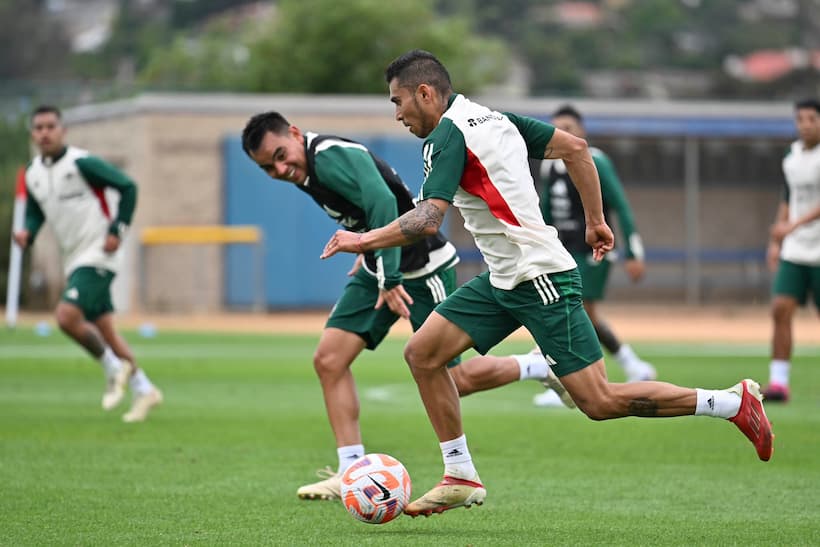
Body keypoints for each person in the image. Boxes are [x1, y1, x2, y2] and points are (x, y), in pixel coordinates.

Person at [321, 49, 774, 517]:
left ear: (425, 93)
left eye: (398, 102)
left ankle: (729, 402)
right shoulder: (493, 118)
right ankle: (460, 474)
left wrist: (364, 240)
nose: (396, 115)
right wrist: (595, 221)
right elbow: (577, 149)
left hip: (539, 278)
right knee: (422, 354)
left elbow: (428, 218)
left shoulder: (446, 136)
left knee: (599, 401)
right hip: (504, 278)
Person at [240, 112, 573, 501]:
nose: (280, 168)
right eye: (268, 167)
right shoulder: (308, 169)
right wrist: (374, 260)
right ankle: (350, 470)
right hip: (380, 265)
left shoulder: (328, 155)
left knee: (454, 379)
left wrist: (390, 278)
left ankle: (539, 367)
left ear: (295, 134)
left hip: (420, 267)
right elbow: (370, 208)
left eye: (281, 155)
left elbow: (383, 201)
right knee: (329, 361)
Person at [13, 105, 162, 422]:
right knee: (106, 330)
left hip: (98, 252)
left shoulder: (81, 163)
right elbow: (38, 210)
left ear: (62, 130)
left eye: (50, 126)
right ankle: (145, 389)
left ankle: (112, 368)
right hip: (73, 257)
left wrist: (117, 230)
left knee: (66, 317)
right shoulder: (32, 173)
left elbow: (128, 187)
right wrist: (29, 231)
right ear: (32, 134)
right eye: (38, 128)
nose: (45, 133)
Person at [533, 105, 655, 408]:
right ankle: (632, 365)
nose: (563, 134)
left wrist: (634, 251)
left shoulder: (595, 160)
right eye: (557, 129)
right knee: (579, 314)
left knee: (576, 312)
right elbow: (545, 211)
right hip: (561, 252)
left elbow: (621, 206)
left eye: (569, 128)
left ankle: (568, 382)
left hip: (592, 252)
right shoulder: (550, 166)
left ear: (582, 132)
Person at [763, 98, 820, 403]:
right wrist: (776, 240)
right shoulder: (792, 156)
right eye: (801, 120)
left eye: (812, 119)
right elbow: (787, 198)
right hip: (796, 251)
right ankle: (779, 383)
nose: (806, 125)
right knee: (780, 309)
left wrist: (794, 225)